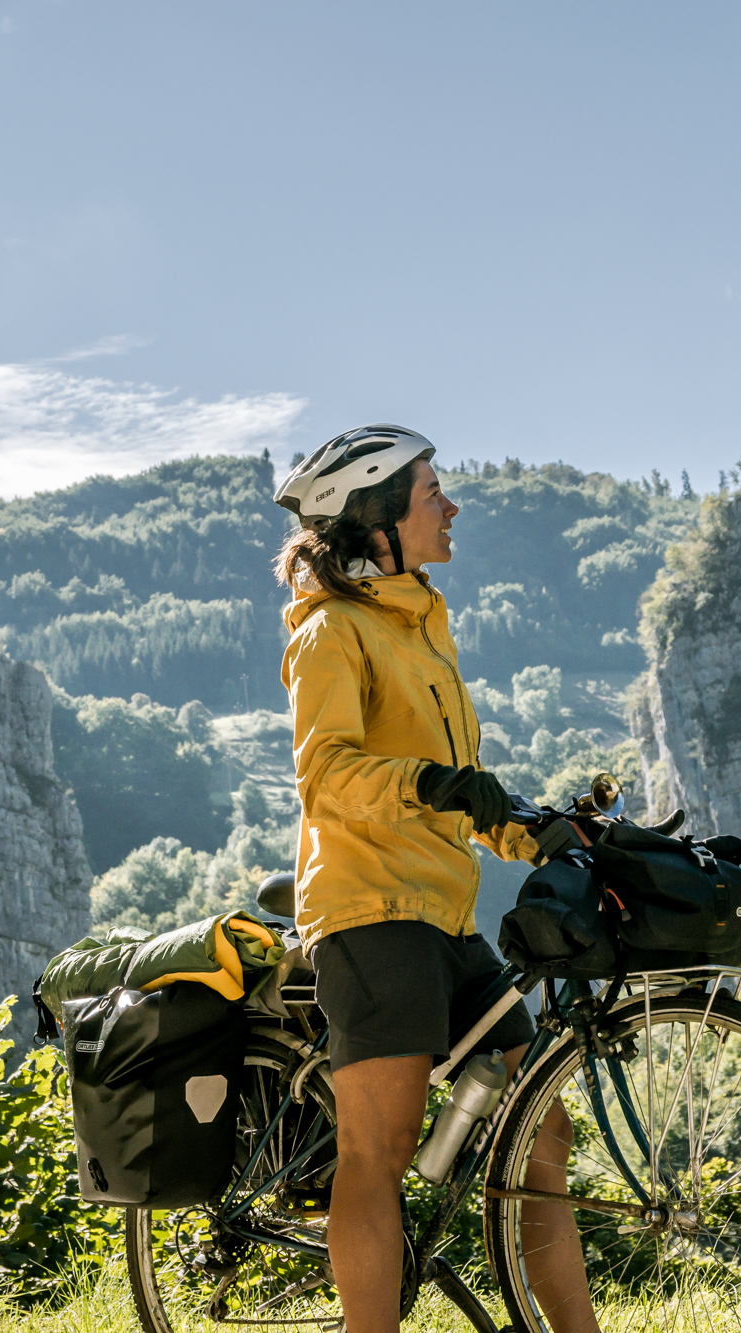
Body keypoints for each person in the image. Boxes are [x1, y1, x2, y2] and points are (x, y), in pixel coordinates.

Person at [274, 425, 598, 1333]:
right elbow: (327, 776)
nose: (449, 505)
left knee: (543, 1133)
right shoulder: (332, 633)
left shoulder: (421, 627)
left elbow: (454, 787)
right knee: (377, 1150)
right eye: (430, 492)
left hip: (443, 914)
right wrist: (429, 782)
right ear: (376, 519)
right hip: (369, 911)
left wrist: (540, 832)